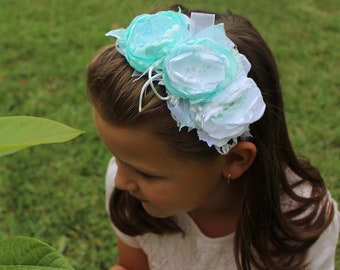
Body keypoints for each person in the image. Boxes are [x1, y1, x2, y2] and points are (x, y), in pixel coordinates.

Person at [87, 5, 339, 270]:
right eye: (116, 157)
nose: (120, 179)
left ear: (234, 160)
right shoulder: (130, 192)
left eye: (147, 174)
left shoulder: (300, 220)